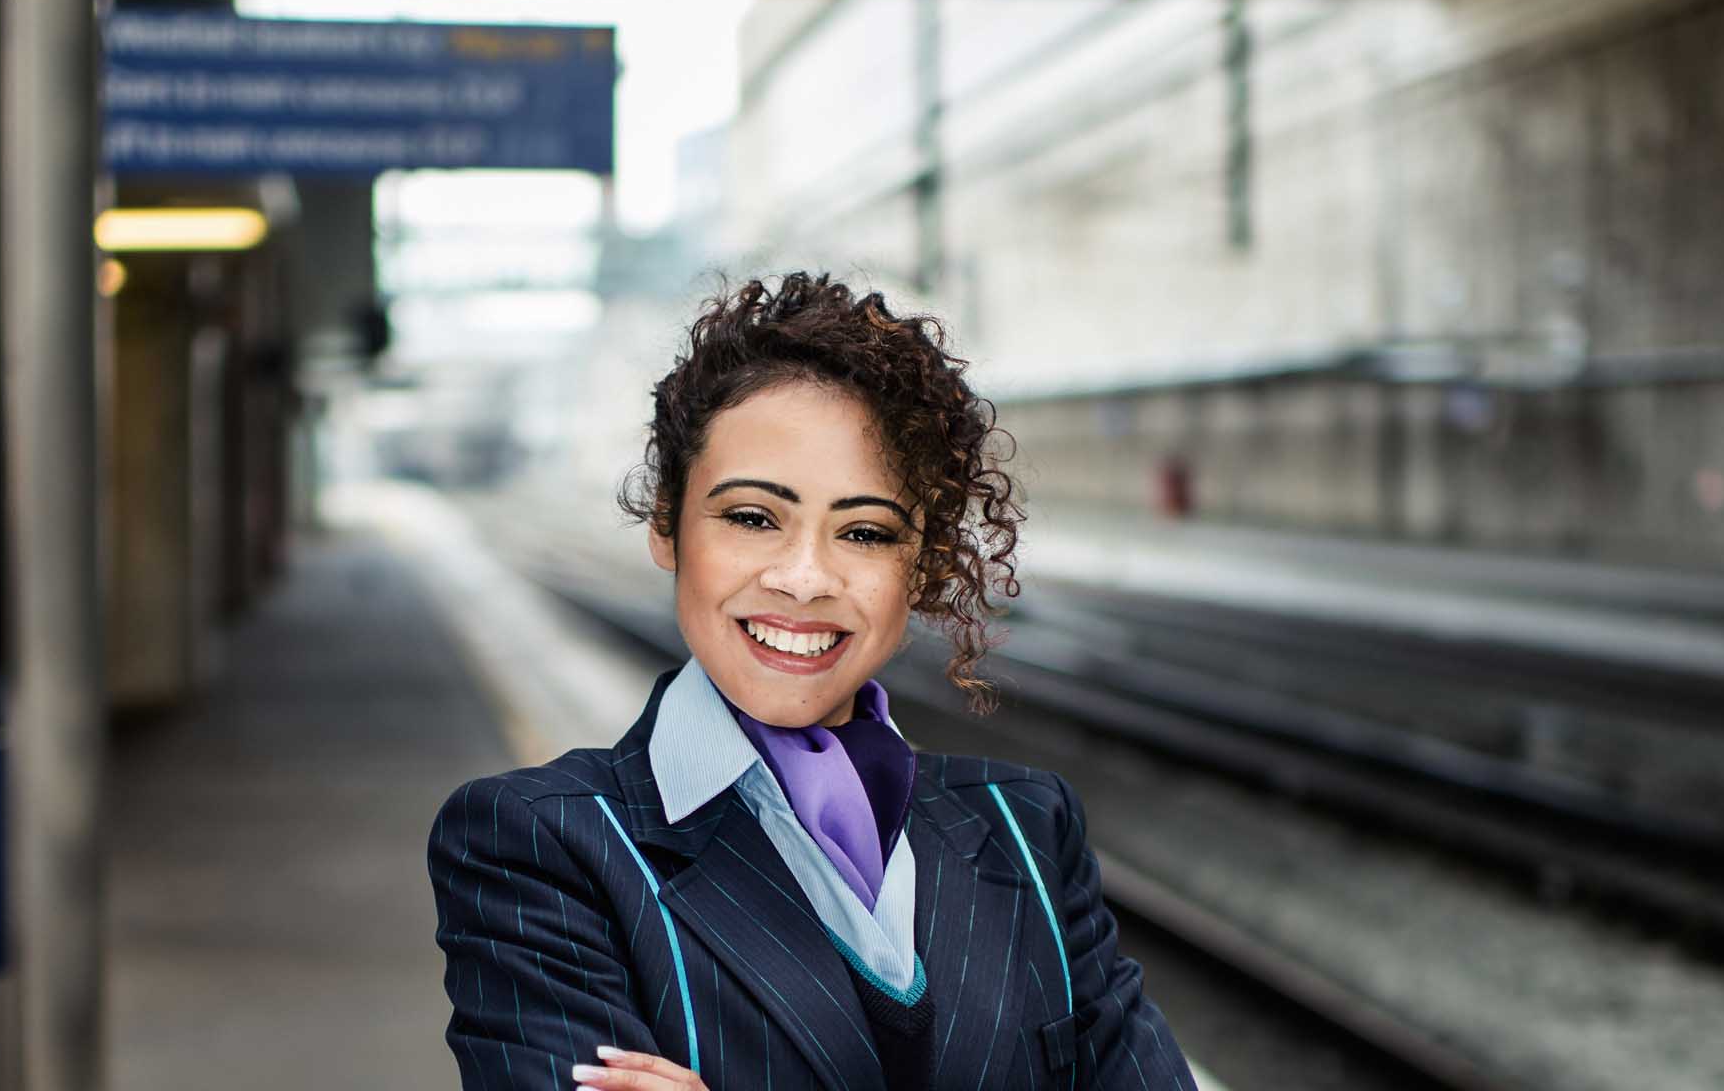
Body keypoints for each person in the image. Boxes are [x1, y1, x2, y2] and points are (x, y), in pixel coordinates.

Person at [429, 273, 1198, 1091]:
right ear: (666, 524)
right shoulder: (542, 844)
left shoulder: (1028, 827)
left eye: (864, 532)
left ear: (922, 566)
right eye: (754, 518)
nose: (804, 579)